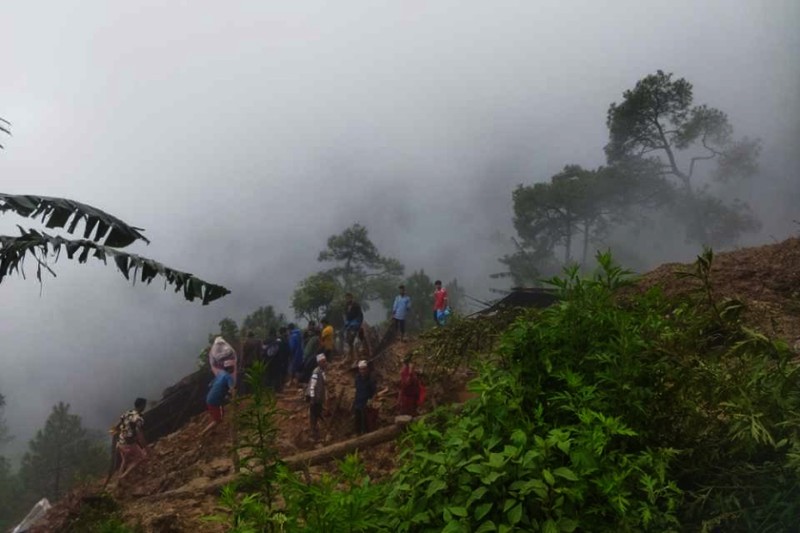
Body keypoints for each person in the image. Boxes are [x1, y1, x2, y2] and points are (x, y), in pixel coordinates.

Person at [202, 358, 236, 436]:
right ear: (230, 368)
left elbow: (210, 384)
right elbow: (232, 390)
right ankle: (203, 433)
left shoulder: (221, 374)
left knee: (218, 415)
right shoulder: (228, 377)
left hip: (209, 398)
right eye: (233, 367)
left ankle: (212, 431)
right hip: (215, 401)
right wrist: (234, 400)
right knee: (218, 420)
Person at [116, 397, 148, 480]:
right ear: (142, 406)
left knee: (125, 460)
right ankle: (123, 476)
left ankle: (119, 478)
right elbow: (139, 433)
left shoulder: (128, 413)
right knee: (141, 457)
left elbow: (118, 425)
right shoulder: (138, 418)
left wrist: (116, 435)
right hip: (129, 444)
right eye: (144, 405)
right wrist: (145, 446)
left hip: (120, 442)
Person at [307, 353, 328, 441]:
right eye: (323, 362)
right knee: (314, 415)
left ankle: (316, 430)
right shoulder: (316, 372)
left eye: (325, 361)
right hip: (315, 398)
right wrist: (312, 398)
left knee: (317, 413)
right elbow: (312, 386)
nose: (325, 363)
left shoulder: (322, 372)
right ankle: (313, 431)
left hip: (319, 398)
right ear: (319, 363)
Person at [353, 360, 376, 435]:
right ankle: (358, 434)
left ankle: (367, 435)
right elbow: (357, 389)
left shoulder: (370, 379)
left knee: (366, 421)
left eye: (364, 369)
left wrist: (370, 400)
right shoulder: (357, 378)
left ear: (367, 369)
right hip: (358, 401)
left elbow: (374, 391)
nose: (362, 371)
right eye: (361, 369)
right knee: (357, 420)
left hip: (366, 403)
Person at [240, 330, 261, 395]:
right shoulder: (258, 341)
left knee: (247, 378)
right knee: (255, 377)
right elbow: (260, 353)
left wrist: (241, 365)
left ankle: (248, 393)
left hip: (248, 363)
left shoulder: (246, 342)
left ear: (248, 335)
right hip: (256, 362)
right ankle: (255, 392)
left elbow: (244, 355)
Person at [344, 293, 364, 359]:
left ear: (351, 297)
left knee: (355, 339)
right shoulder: (346, 305)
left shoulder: (356, 305)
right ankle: (350, 355)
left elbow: (360, 315)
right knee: (347, 339)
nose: (347, 299)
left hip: (355, 323)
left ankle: (358, 355)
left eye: (349, 298)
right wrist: (346, 322)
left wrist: (358, 323)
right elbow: (346, 315)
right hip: (349, 324)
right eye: (346, 298)